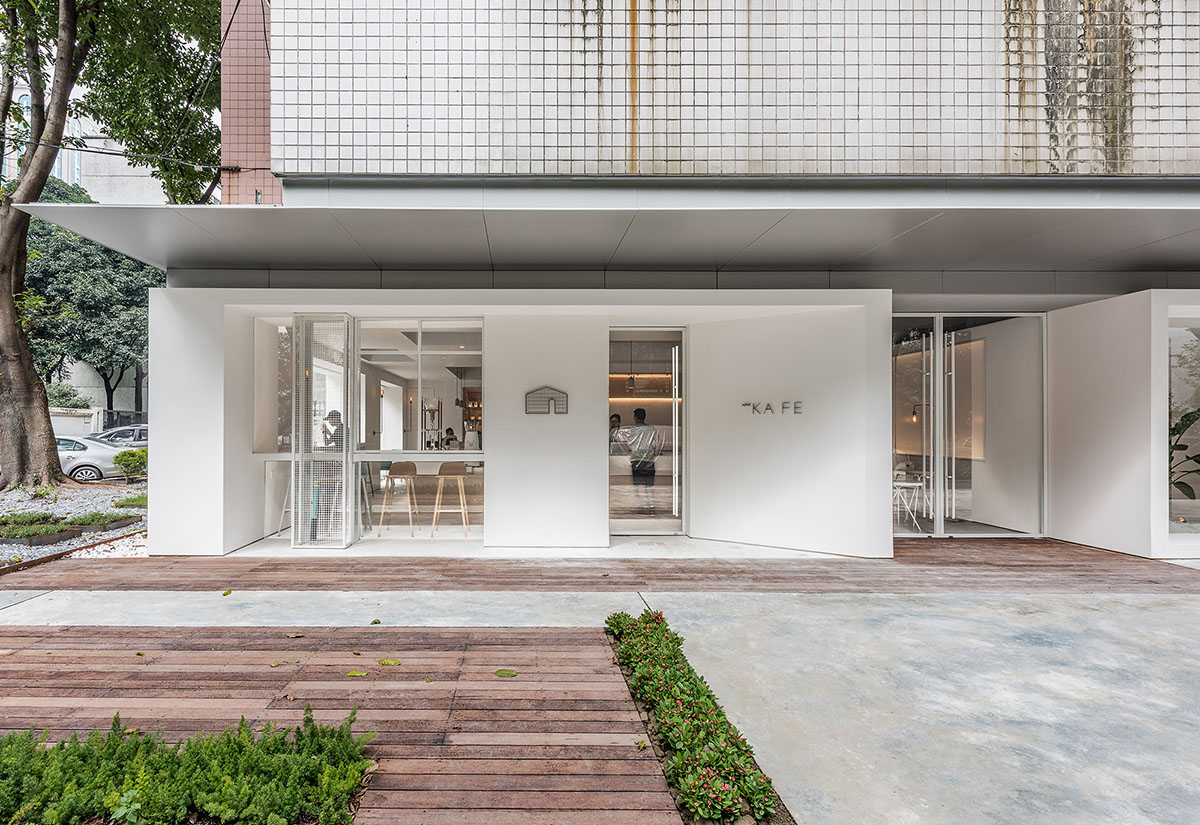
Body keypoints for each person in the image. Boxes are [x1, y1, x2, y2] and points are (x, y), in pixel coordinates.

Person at [625, 407, 663, 514]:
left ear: (635, 417)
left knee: (640, 485)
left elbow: (628, 444)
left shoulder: (632, 430)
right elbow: (658, 442)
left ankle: (644, 507)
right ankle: (652, 506)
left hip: (637, 459)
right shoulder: (652, 429)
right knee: (649, 485)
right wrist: (655, 452)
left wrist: (631, 449)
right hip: (649, 459)